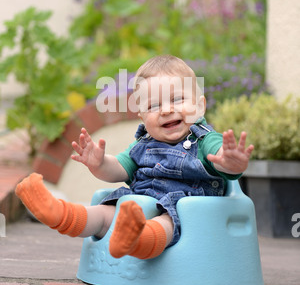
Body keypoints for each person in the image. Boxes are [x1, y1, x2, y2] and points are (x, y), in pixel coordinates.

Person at [16, 55, 254, 260]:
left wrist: (231, 161)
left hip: (186, 212)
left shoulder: (205, 140)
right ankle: (60, 214)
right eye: (153, 106)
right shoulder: (142, 145)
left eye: (177, 100)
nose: (166, 110)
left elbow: (223, 160)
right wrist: (99, 163)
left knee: (168, 220)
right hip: (140, 206)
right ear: (142, 117)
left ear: (199, 106)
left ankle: (137, 240)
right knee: (105, 212)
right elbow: (119, 169)